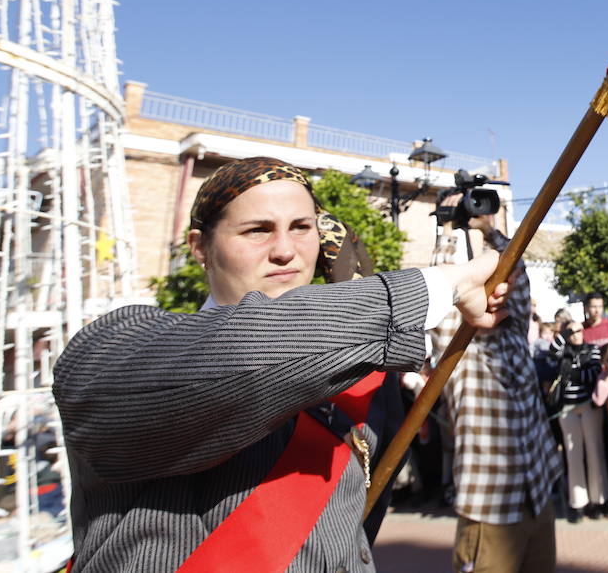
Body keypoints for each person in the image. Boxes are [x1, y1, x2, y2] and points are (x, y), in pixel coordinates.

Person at [52, 156, 509, 572]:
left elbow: (354, 538)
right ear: (200, 247)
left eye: (302, 227)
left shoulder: (369, 389)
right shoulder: (113, 349)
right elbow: (244, 349)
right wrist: (438, 287)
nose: (285, 251)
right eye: (257, 230)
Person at [431, 194, 563, 573]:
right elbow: (444, 290)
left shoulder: (515, 338)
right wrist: (454, 227)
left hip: (538, 496)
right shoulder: (458, 354)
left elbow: (518, 276)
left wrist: (491, 230)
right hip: (490, 509)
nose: (494, 292)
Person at [553, 325, 608, 522]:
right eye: (571, 332)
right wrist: (564, 334)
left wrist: (571, 374)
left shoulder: (592, 349)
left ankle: (598, 500)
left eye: (578, 331)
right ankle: (577, 503)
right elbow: (552, 351)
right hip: (567, 409)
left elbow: (593, 373)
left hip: (588, 407)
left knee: (594, 451)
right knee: (572, 454)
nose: (575, 335)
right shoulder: (563, 351)